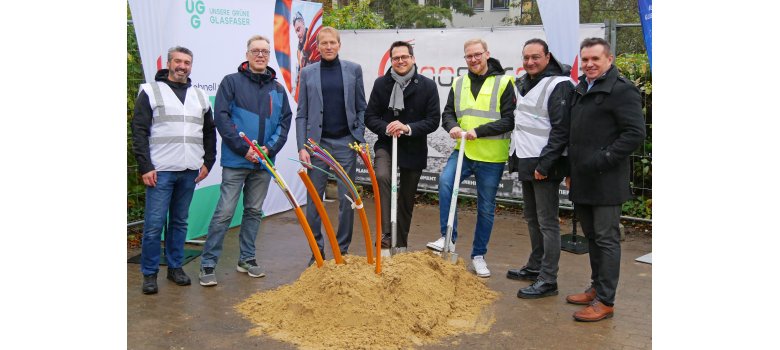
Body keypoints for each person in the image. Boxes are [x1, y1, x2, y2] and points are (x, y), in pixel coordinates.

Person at [198, 35, 293, 286]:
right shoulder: (231, 82)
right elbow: (222, 118)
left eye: (265, 51)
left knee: (253, 211)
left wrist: (268, 150)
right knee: (225, 212)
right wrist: (244, 149)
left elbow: (284, 124)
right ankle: (208, 264)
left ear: (269, 56)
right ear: (247, 54)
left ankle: (247, 259)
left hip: (263, 163)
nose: (260, 55)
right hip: (237, 161)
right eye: (256, 51)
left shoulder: (278, 88)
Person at [566, 37, 645, 321]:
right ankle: (596, 288)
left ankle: (606, 301)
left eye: (595, 59)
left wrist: (603, 159)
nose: (589, 64)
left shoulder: (622, 90)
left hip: (607, 181)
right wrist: (571, 171)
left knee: (606, 239)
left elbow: (635, 134)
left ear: (608, 60)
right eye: (585, 59)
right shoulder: (580, 88)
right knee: (593, 238)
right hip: (582, 178)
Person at [426, 38, 516, 278]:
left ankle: (478, 256)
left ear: (487, 54)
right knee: (445, 182)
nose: (474, 59)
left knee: (485, 207)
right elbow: (448, 114)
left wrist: (480, 131)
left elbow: (510, 120)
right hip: (463, 151)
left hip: (491, 157)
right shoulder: (459, 82)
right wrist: (452, 127)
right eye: (469, 56)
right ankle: (448, 238)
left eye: (477, 54)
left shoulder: (504, 82)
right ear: (465, 58)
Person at [131, 46, 217, 295]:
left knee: (179, 223)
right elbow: (139, 132)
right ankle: (149, 273)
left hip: (189, 170)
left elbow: (209, 132)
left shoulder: (200, 96)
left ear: (191, 66)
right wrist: (146, 166)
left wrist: (208, 162)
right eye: (178, 61)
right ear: (168, 63)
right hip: (160, 171)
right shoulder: (151, 91)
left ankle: (175, 267)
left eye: (187, 62)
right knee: (154, 224)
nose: (182, 66)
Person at [506, 39, 575, 299]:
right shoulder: (526, 83)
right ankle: (535, 267)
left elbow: (561, 130)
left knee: (547, 223)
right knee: (532, 218)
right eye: (526, 57)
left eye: (536, 57)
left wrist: (545, 165)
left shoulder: (559, 85)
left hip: (545, 163)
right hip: (526, 158)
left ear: (548, 57)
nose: (530, 62)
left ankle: (548, 280)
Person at [296, 26, 367, 264]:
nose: (328, 47)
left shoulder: (353, 70)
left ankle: (342, 250)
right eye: (323, 43)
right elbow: (302, 114)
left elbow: (361, 107)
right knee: (315, 201)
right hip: (317, 146)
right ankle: (317, 250)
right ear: (317, 46)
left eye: (332, 43)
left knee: (347, 201)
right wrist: (302, 146)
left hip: (345, 144)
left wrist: (357, 137)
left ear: (339, 44)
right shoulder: (307, 73)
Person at [364, 41, 440, 255]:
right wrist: (387, 127)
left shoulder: (427, 86)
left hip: (414, 147)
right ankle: (387, 236)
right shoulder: (381, 84)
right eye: (396, 58)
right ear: (391, 61)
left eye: (404, 57)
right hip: (387, 143)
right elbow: (370, 116)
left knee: (406, 198)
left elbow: (433, 120)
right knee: (382, 177)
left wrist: (407, 128)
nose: (400, 61)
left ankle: (402, 243)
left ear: (412, 58)